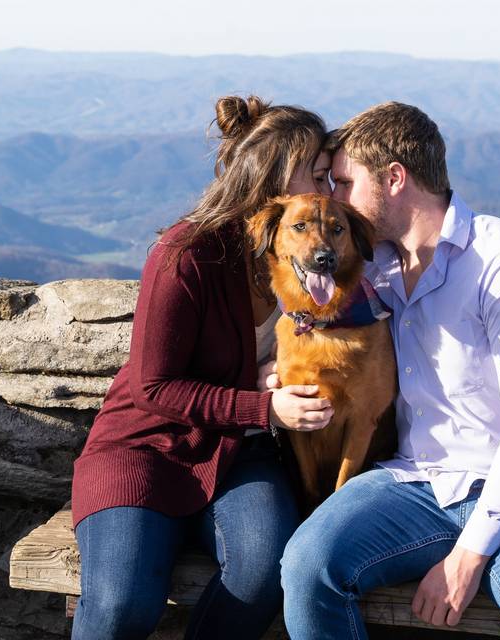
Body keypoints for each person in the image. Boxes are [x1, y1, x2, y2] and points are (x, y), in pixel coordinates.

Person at [277, 102, 500, 639]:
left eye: (343, 181)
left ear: (395, 179)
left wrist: (467, 557)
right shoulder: (374, 268)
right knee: (306, 567)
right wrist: (275, 372)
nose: (332, 199)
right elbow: (303, 319)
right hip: (416, 481)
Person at [70, 95, 335, 640]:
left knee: (264, 575)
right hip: (147, 445)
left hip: (240, 453)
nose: (330, 192)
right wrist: (265, 408)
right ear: (275, 177)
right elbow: (152, 386)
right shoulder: (185, 254)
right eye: (319, 175)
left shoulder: (308, 260)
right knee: (123, 605)